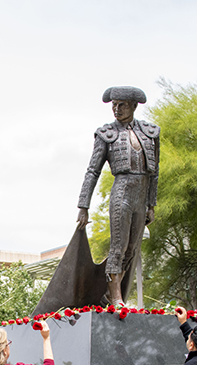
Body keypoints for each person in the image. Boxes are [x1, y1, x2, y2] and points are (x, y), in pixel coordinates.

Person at [76, 85, 159, 307]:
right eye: (114, 105)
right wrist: (84, 206)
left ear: (133, 105)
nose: (117, 109)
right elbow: (92, 170)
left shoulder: (150, 133)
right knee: (119, 246)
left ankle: (112, 293)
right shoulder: (107, 134)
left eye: (121, 105)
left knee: (132, 248)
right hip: (122, 190)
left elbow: (154, 173)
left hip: (141, 195)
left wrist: (151, 204)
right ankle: (115, 296)